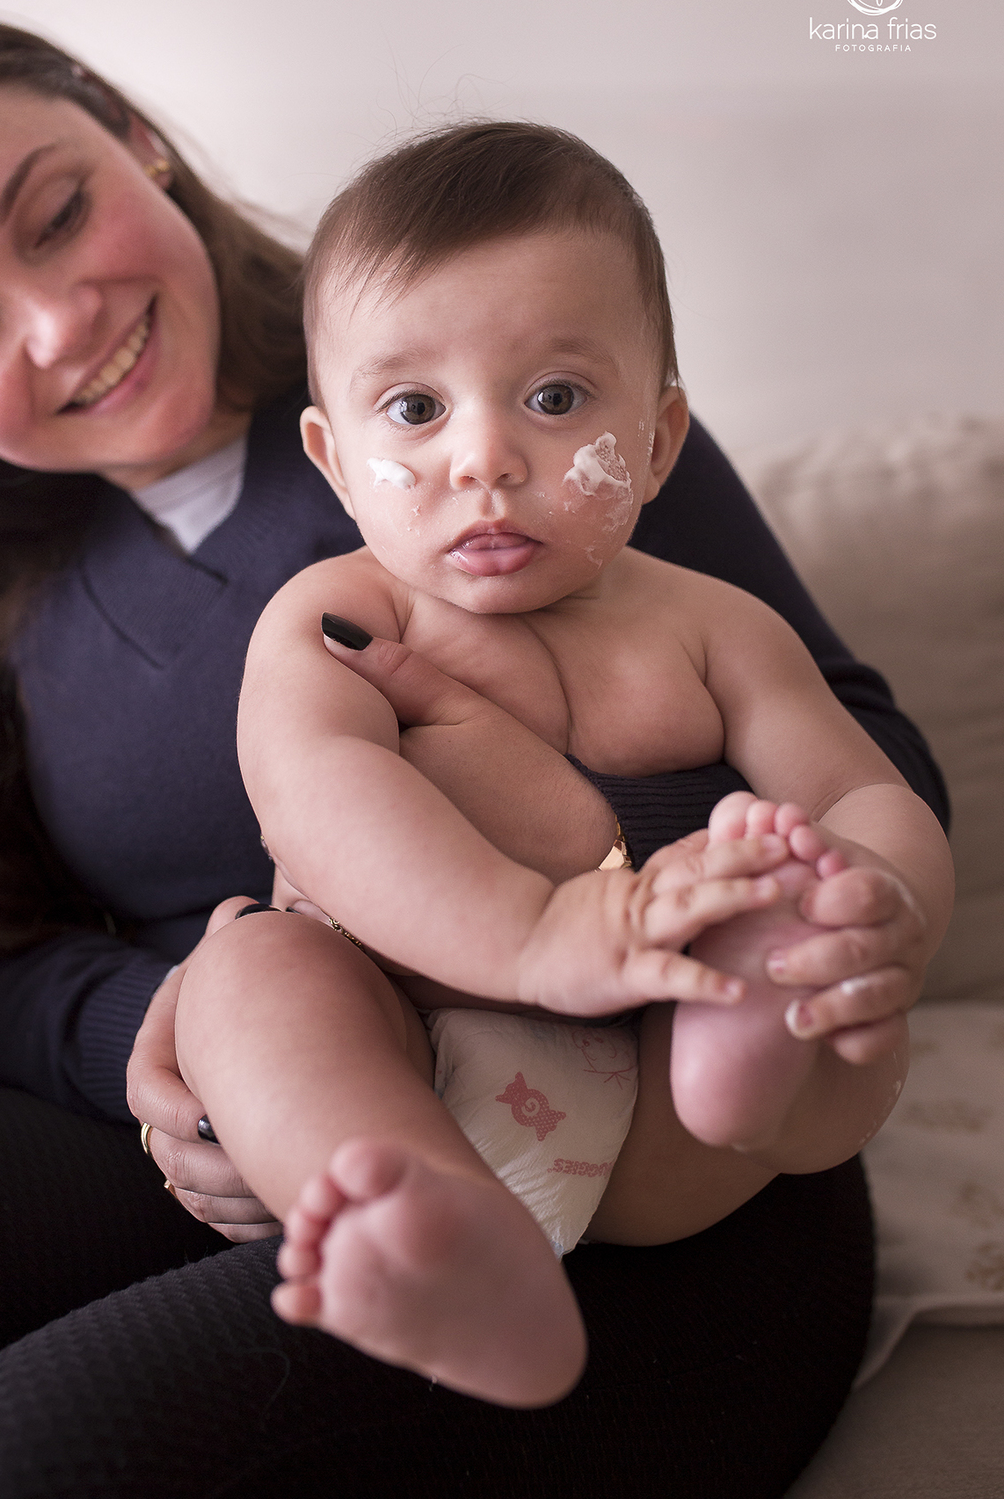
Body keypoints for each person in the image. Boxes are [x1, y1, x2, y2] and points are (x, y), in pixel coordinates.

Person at [0, 13, 946, 1499]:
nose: (60, 322)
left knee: (6, 1467)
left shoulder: (516, 367)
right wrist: (156, 1037)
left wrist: (587, 850)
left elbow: (859, 763)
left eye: (60, 211)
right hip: (289, 1128)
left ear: (133, 136)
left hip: (669, 1122)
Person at [171, 122, 952, 1408]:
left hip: (667, 1122)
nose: (484, 458)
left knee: (782, 894)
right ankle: (434, 1238)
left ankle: (752, 1058)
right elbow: (320, 800)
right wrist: (537, 933)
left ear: (657, 441)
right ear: (335, 463)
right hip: (415, 1064)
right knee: (249, 974)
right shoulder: (334, 620)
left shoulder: (713, 628)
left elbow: (863, 789)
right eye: (415, 409)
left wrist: (881, 897)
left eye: (554, 398)